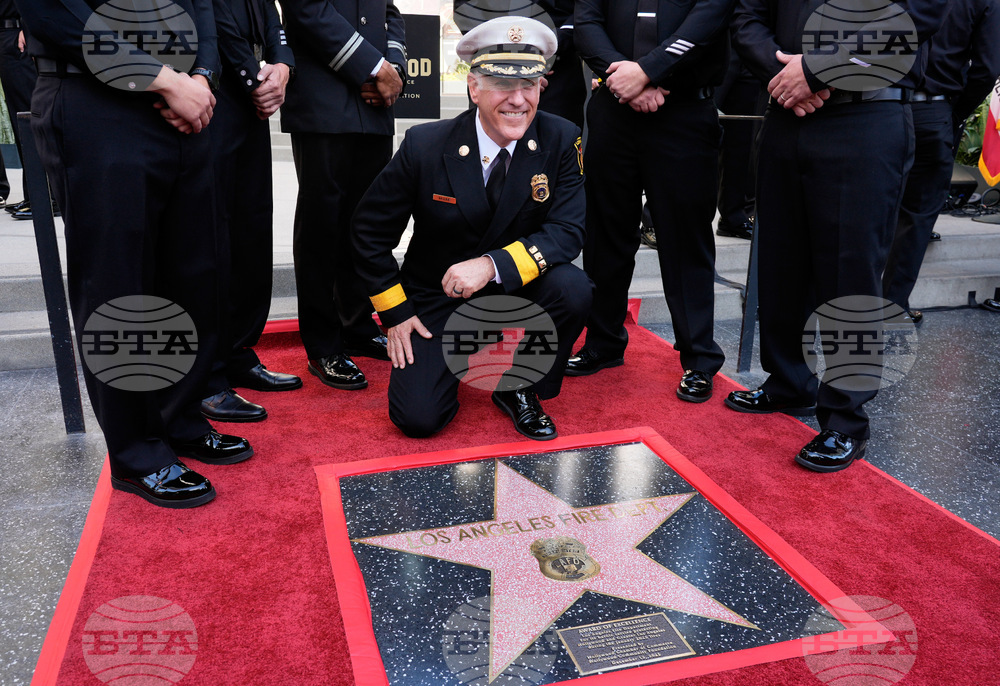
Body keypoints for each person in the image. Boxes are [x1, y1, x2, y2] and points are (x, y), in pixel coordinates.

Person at [22, 0, 254, 508]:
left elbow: (203, 11)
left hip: (184, 111)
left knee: (191, 274)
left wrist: (202, 79)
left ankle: (180, 418)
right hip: (95, 104)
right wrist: (164, 80)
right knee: (118, 284)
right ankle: (137, 451)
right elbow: (56, 15)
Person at [728, 0, 948, 472]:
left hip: (866, 116)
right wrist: (787, 75)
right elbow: (748, 17)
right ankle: (790, 382)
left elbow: (917, 18)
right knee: (783, 263)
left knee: (852, 272)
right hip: (787, 113)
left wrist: (817, 70)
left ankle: (846, 420)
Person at [352, 16, 592, 441]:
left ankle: (519, 386)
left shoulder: (561, 138)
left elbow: (567, 231)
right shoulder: (426, 144)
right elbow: (369, 233)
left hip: (516, 287)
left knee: (573, 288)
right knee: (418, 420)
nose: (518, 100)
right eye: (503, 85)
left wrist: (490, 265)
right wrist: (396, 314)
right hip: (437, 295)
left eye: (530, 85)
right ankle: (455, 354)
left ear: (542, 87)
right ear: (474, 88)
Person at [566, 0, 731, 405]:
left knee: (685, 241)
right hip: (613, 108)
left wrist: (647, 72)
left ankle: (699, 359)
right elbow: (587, 23)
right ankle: (603, 343)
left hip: (685, 112)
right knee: (605, 235)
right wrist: (622, 75)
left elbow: (707, 21)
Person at [279, 0, 405, 391]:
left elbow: (389, 13)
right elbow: (307, 11)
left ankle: (356, 323)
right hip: (325, 101)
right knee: (322, 228)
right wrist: (375, 67)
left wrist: (395, 69)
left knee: (365, 222)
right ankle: (323, 343)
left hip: (374, 106)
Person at [199, 0, 302, 423]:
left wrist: (281, 65)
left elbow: (271, 18)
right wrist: (254, 80)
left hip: (248, 109)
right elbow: (216, 22)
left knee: (251, 233)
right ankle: (207, 375)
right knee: (211, 244)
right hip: (214, 99)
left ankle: (238, 353)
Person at [883, 0, 1000, 322]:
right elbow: (987, 68)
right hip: (934, 111)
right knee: (917, 215)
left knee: (867, 208)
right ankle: (891, 306)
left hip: (880, 106)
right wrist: (954, 114)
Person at [0, 7, 35, 217]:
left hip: (15, 34)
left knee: (27, 114)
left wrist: (27, 26)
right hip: (7, 37)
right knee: (18, 116)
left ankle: (45, 197)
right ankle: (33, 195)